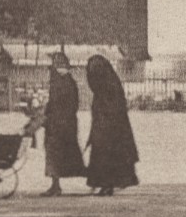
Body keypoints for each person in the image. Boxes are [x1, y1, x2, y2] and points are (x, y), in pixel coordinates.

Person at [84, 54, 138, 195]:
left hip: (110, 131)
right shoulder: (108, 84)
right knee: (104, 156)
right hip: (104, 129)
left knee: (107, 157)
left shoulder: (109, 86)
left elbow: (113, 109)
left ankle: (107, 185)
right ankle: (104, 184)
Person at [40, 52, 86, 196]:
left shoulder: (60, 82)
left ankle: (56, 186)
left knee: (56, 154)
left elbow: (59, 104)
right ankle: (55, 185)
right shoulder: (68, 81)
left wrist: (49, 115)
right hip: (63, 124)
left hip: (59, 125)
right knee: (62, 155)